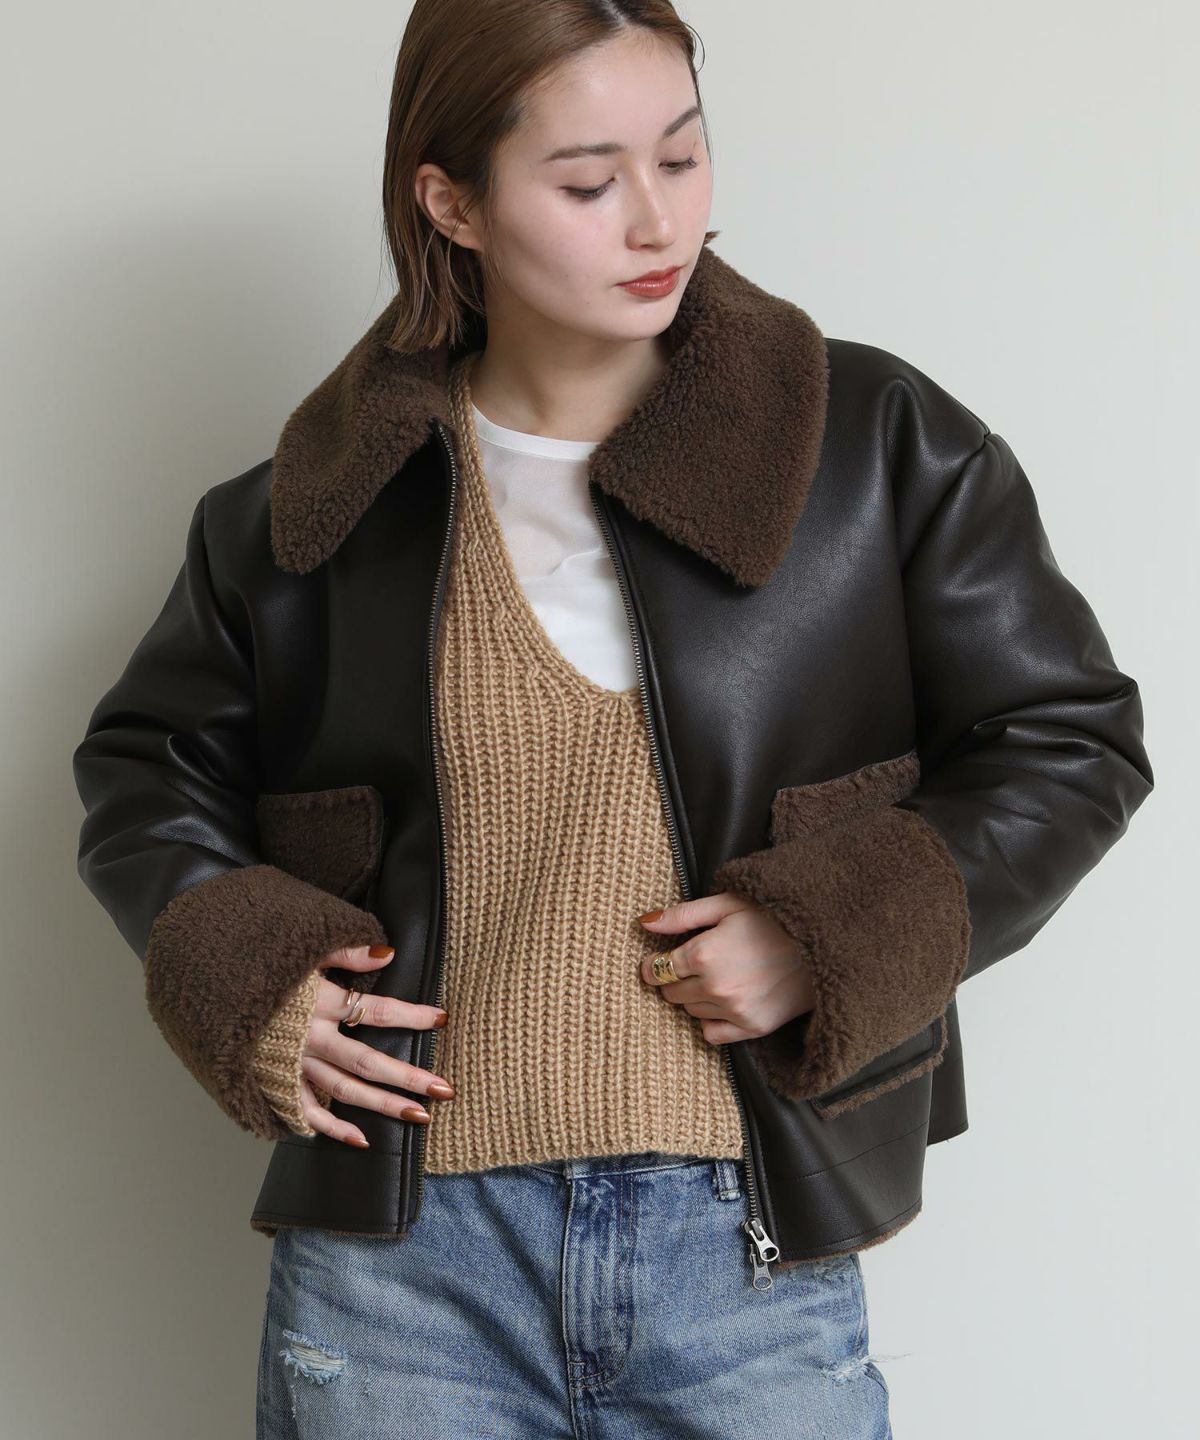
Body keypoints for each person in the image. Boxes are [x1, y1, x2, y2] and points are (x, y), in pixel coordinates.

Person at [71, 2, 1154, 1436]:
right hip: (405, 1271)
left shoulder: (873, 448)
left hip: (746, 1251)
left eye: (683, 157)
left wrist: (830, 933)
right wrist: (255, 980)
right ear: (452, 204)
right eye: (589, 182)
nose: (658, 220)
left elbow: (1070, 737)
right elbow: (146, 774)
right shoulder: (309, 514)